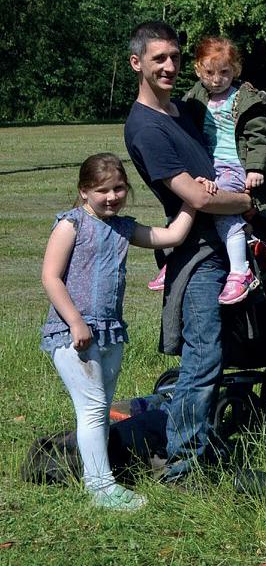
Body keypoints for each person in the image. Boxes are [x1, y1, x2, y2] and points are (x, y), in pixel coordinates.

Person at [123, 21, 257, 481]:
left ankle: (200, 442)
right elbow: (197, 197)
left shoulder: (184, 111)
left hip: (220, 244)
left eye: (175, 57)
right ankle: (184, 464)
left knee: (215, 355)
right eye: (158, 58)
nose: (169, 66)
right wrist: (245, 202)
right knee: (202, 357)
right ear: (136, 63)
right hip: (197, 255)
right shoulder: (145, 128)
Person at [41, 155, 199, 510]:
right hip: (72, 332)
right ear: (84, 191)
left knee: (99, 408)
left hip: (109, 332)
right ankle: (100, 487)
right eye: (102, 190)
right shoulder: (71, 225)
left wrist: (194, 201)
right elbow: (50, 277)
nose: (112, 196)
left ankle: (100, 478)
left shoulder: (124, 228)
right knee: (93, 408)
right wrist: (75, 321)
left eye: (119, 188)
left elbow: (171, 236)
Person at [177, 36, 266, 305]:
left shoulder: (245, 99)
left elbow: (260, 137)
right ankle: (179, 260)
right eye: (209, 73)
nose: (216, 80)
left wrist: (255, 168)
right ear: (198, 70)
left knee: (220, 209)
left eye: (224, 72)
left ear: (236, 69)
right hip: (208, 166)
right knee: (187, 200)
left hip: (235, 166)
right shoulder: (196, 96)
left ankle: (239, 271)